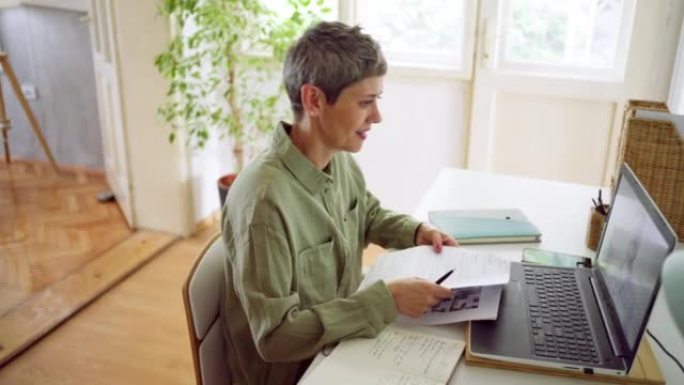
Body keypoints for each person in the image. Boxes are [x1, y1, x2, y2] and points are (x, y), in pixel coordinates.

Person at [220, 21, 458, 385]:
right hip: (299, 373)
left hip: (341, 345)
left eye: (377, 101)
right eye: (365, 102)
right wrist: (386, 301)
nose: (376, 116)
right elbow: (276, 339)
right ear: (314, 100)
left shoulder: (337, 157)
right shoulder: (264, 204)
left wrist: (417, 232)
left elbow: (368, 214)